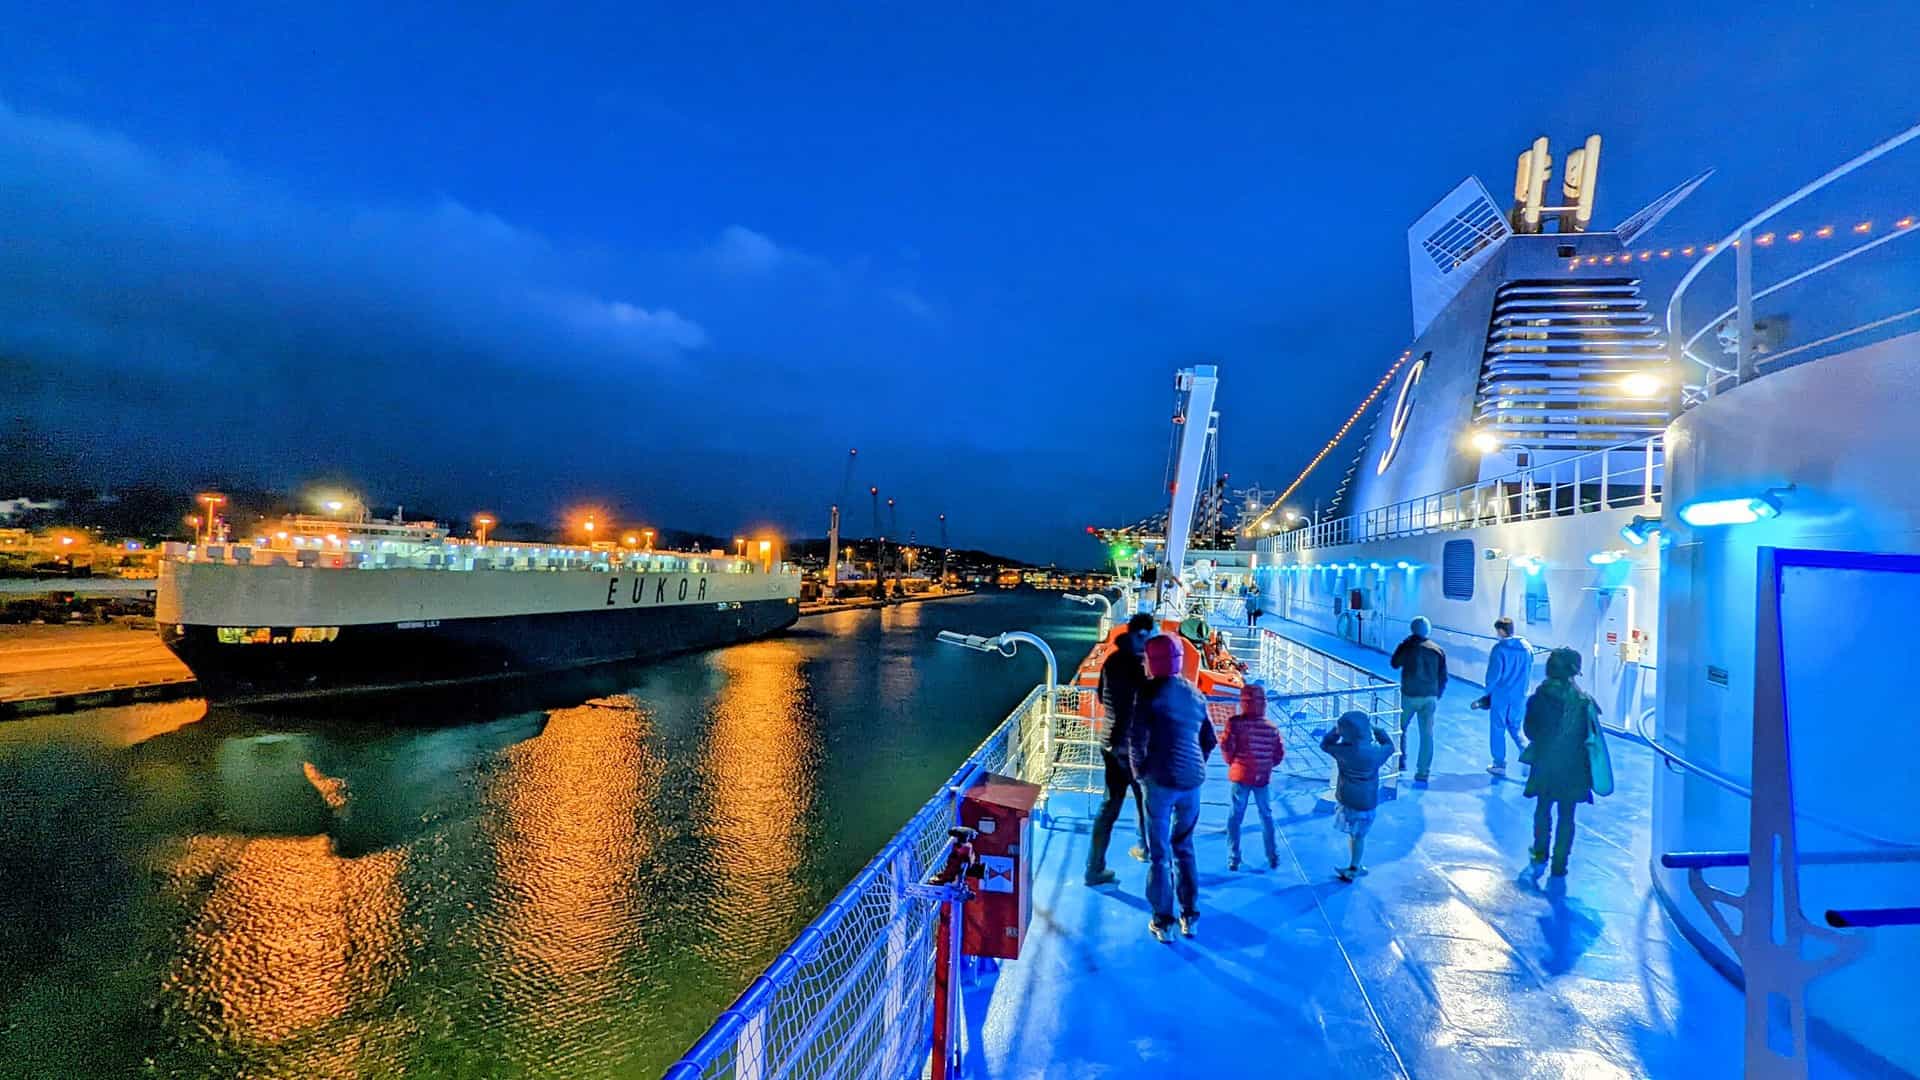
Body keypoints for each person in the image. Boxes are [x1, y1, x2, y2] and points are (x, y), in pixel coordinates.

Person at [1128, 633, 1217, 942]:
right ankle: (1190, 917)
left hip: (1160, 782)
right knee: (1185, 849)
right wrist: (1196, 765)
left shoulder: (1148, 692)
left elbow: (1136, 739)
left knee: (1159, 854)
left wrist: (1140, 773)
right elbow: (1210, 739)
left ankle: (1163, 922)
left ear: (1152, 661)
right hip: (1192, 783)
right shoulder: (1195, 694)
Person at [1086, 613, 1155, 885]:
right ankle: (1147, 849)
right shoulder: (1142, 666)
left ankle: (1094, 868)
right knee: (1146, 801)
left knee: (1109, 805)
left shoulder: (1112, 661)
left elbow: (1101, 695)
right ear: (1143, 634)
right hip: (1136, 747)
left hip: (1110, 742)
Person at [1524, 647, 1599, 879]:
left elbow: (1530, 730)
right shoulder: (1585, 701)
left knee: (1543, 809)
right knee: (1568, 815)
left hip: (1546, 763)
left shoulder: (1539, 697)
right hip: (1574, 768)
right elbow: (1592, 739)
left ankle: (1539, 853)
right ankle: (1560, 864)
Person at [1321, 709, 1395, 882]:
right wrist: (1378, 730)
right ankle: (1355, 867)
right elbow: (1390, 746)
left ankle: (1353, 866)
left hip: (1347, 800)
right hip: (1366, 803)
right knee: (1359, 836)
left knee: (1354, 835)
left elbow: (1325, 745)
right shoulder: (1375, 753)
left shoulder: (1342, 751)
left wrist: (1335, 732)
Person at [1220, 681, 1283, 871]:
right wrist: (1265, 766)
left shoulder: (1235, 723)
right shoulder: (1271, 728)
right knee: (1266, 815)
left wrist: (1234, 763)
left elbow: (1226, 747)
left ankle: (1233, 857)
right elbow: (1278, 755)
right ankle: (1272, 856)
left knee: (1235, 816)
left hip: (1241, 775)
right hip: (1262, 777)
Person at [1389, 615, 1448, 782]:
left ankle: (1399, 763)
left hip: (1409, 695)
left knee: (1400, 729)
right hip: (1430, 697)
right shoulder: (1437, 650)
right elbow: (1443, 676)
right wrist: (1437, 694)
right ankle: (1423, 772)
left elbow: (1394, 663)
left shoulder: (1407, 647)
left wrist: (1404, 644)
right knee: (1427, 735)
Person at [1483, 616, 1533, 776]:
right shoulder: (1527, 648)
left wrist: (1487, 692)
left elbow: (1493, 675)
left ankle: (1499, 764)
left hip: (1501, 696)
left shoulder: (1499, 649)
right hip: (1519, 696)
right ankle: (1528, 755)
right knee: (1516, 727)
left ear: (1500, 630)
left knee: (1498, 728)